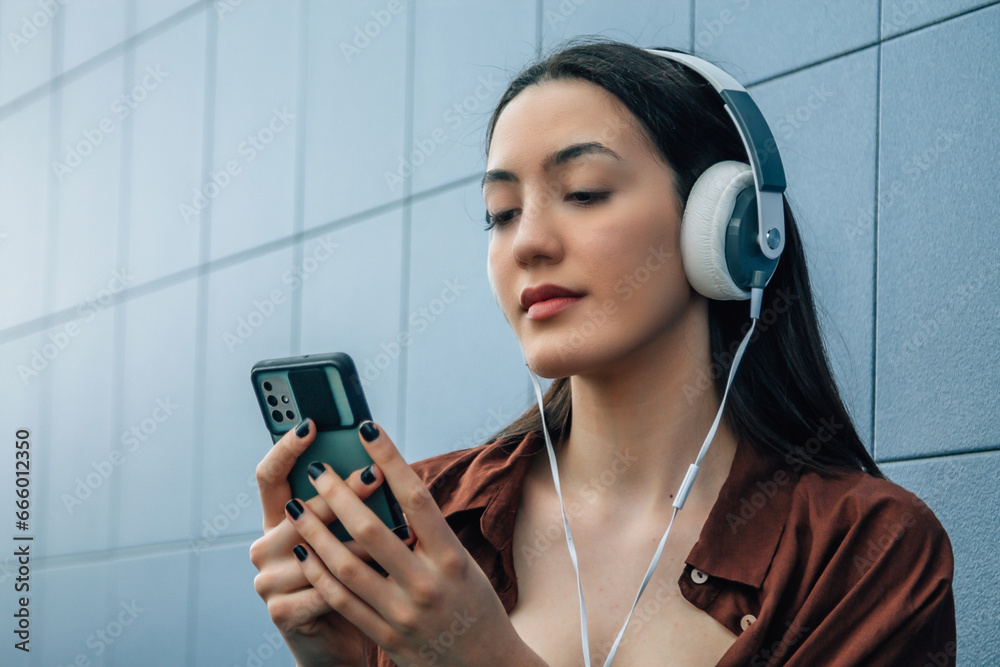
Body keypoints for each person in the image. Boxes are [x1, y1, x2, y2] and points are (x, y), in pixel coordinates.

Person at [250, 38, 956, 667]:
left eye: (584, 192)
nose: (527, 241)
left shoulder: (866, 550)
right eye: (501, 212)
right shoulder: (433, 515)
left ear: (726, 229)